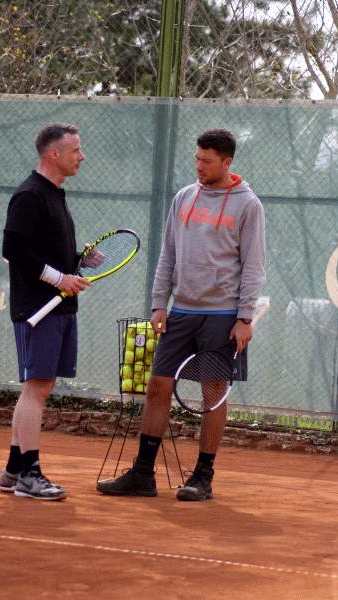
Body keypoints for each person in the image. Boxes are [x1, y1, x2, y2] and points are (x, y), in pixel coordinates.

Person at [97, 128, 266, 501]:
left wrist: (245, 317)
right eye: (197, 159)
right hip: (180, 311)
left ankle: (202, 477)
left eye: (207, 161)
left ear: (227, 162)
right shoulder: (184, 198)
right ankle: (143, 475)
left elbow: (253, 266)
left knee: (213, 393)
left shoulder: (248, 205)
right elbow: (168, 254)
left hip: (223, 314)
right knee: (158, 386)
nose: (200, 166)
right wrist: (160, 303)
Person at [0, 123, 98, 501]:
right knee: (36, 388)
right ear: (53, 154)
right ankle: (29, 475)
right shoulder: (29, 195)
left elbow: (44, 250)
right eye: (75, 149)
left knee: (40, 386)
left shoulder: (55, 194)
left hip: (58, 306)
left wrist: (77, 260)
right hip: (37, 308)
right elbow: (15, 250)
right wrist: (59, 278)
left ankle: (13, 470)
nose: (81, 156)